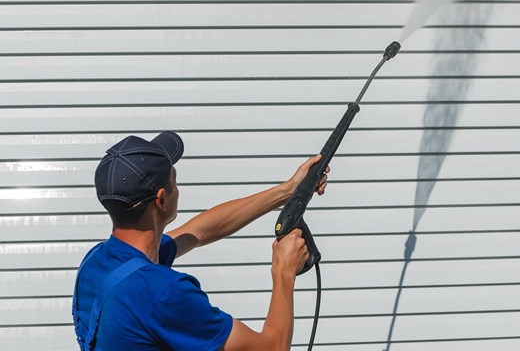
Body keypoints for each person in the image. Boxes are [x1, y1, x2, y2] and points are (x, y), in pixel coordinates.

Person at [72, 131, 329, 351]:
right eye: (175, 180)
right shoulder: (163, 293)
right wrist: (283, 271)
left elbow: (200, 231)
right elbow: (271, 348)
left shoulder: (97, 262)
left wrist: (287, 190)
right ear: (161, 200)